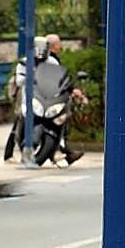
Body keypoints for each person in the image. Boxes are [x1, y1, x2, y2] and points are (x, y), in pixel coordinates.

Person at [44, 34, 87, 165]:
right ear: (55, 45)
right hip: (52, 98)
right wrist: (72, 89)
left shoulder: (45, 59)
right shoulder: (51, 60)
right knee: (60, 123)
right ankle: (63, 152)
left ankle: (60, 152)